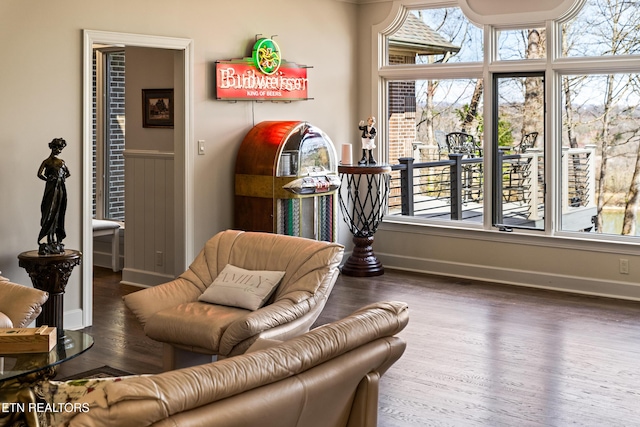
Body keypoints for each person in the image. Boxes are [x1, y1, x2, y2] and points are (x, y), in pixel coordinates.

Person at [37, 138, 70, 255]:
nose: (58, 150)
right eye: (56, 148)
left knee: (58, 212)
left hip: (60, 189)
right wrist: (49, 180)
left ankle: (57, 239)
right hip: (51, 189)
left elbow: (68, 173)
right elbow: (39, 174)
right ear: (51, 147)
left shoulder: (62, 162)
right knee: (50, 211)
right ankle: (49, 239)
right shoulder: (46, 162)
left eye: (60, 148)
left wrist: (61, 179)